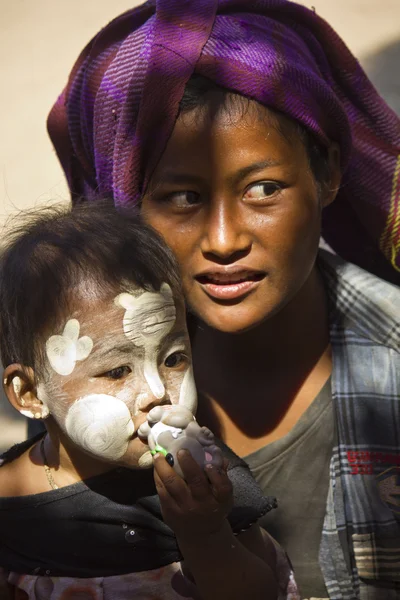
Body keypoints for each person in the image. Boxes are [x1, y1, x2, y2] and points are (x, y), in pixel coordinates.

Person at [47, 1, 400, 598]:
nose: (224, 240)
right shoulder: (75, 387)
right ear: (124, 201)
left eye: (264, 189)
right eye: (181, 197)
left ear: (329, 173)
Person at [0, 203, 298, 600]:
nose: (157, 392)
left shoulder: (198, 479)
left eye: (173, 359)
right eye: (117, 371)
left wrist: (205, 533)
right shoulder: (11, 505)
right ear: (30, 394)